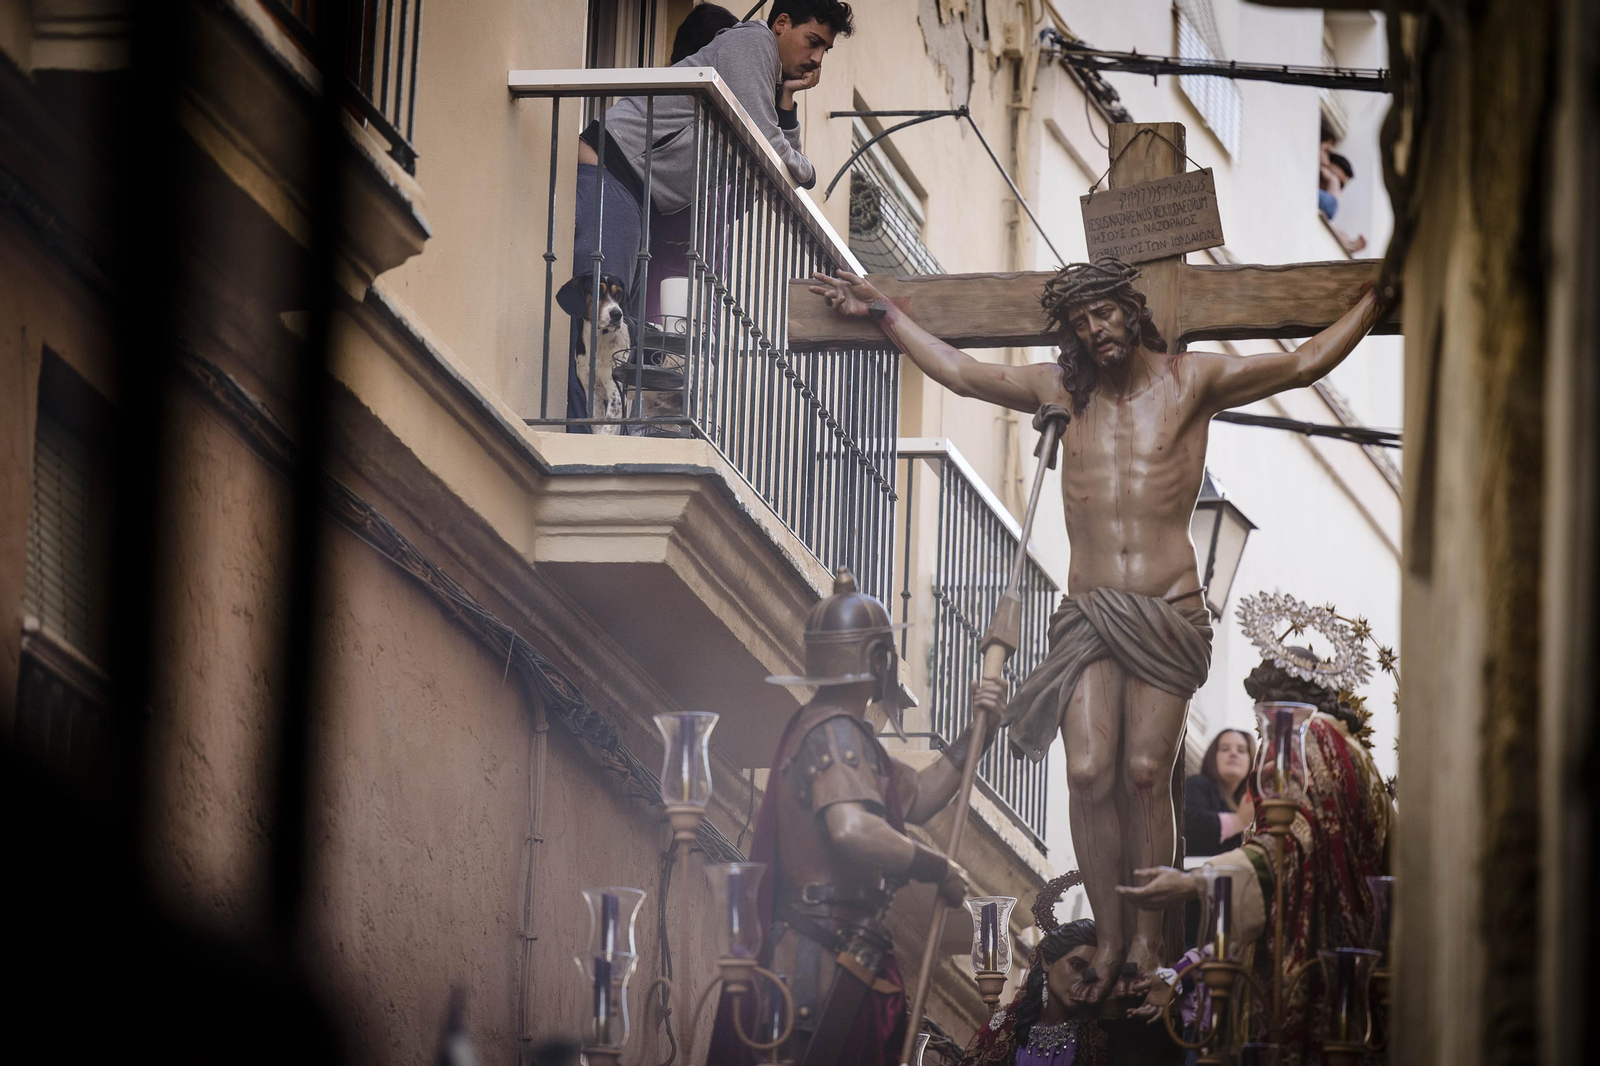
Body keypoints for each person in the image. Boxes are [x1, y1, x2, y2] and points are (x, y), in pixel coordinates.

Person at [806, 258, 1387, 1002]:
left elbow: (1303, 361)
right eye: (1082, 324)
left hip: (1167, 611)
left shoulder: (1191, 381)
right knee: (1086, 771)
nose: (1096, 332)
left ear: (1133, 311)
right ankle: (1110, 937)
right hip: (1087, 616)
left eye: (1106, 315)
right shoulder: (1059, 391)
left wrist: (1371, 304)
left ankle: (1149, 939)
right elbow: (959, 371)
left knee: (1146, 774)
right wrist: (886, 313)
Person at [706, 570, 1004, 1066]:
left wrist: (979, 731)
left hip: (839, 950)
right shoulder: (836, 732)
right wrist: (938, 869)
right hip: (818, 958)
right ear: (880, 659)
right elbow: (853, 829)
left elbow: (918, 798)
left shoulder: (839, 733)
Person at [1117, 599, 1394, 1063]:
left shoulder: (1307, 740)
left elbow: (1295, 845)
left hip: (1308, 959)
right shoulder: (1353, 756)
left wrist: (1194, 882)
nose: (1264, 727)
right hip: (1350, 961)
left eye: (1264, 712)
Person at [561, 1, 854, 425]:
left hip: (636, 192)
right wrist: (808, 170)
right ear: (782, 24)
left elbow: (775, 162)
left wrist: (787, 96)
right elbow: (780, 153)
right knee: (601, 319)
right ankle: (578, 431)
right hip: (614, 170)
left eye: (824, 50)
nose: (816, 58)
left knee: (620, 337)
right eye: (813, 42)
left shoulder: (765, 73)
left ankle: (602, 431)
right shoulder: (752, 41)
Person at [1184, 729, 1255, 858]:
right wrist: (1239, 820)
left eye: (1241, 750)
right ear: (1213, 756)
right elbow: (1188, 828)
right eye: (1225, 749)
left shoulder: (1247, 801)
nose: (1233, 753)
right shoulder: (1197, 785)